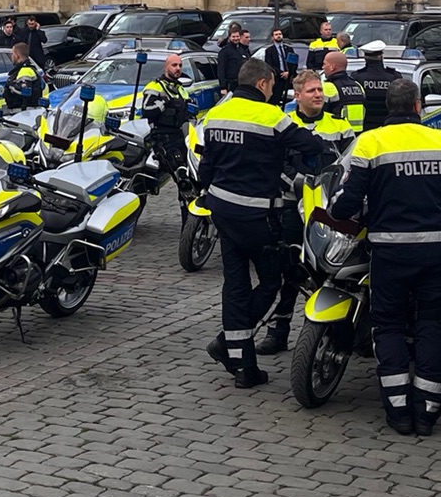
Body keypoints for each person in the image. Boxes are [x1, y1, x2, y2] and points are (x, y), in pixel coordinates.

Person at [331, 79, 441, 435]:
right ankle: (428, 412)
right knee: (432, 325)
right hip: (439, 250)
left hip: (391, 251)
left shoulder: (370, 142)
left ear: (388, 107)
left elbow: (346, 204)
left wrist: (342, 210)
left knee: (389, 325)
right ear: (417, 107)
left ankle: (398, 411)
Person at [195, 57, 327, 387]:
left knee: (235, 284)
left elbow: (206, 164)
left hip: (223, 210)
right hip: (257, 215)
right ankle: (227, 344)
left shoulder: (215, 114)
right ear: (263, 84)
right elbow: (309, 145)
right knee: (274, 278)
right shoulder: (271, 116)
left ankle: (244, 367)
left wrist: (203, 194)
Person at [257, 69, 357, 355]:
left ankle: (337, 331)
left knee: (335, 271)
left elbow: (352, 165)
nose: (318, 95)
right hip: (291, 207)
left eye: (320, 90)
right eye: (311, 90)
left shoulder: (339, 127)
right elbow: (275, 166)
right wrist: (297, 183)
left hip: (330, 212)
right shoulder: (284, 125)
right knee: (289, 271)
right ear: (297, 95)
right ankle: (278, 330)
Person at [139, 52, 194, 190]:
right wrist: (165, 101)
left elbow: (188, 112)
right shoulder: (155, 86)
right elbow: (147, 110)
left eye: (180, 65)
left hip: (180, 137)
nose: (178, 68)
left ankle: (185, 207)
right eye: (174, 65)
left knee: (190, 175)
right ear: (166, 67)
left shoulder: (180, 88)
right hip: (163, 138)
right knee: (181, 177)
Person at [354, 43, 403, 131]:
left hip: (365, 127)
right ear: (381, 57)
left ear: (365, 58)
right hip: (389, 126)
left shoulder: (357, 77)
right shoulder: (394, 77)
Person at [322, 49, 365, 133]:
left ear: (332, 67)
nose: (323, 67)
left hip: (337, 135)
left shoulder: (328, 87)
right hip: (358, 135)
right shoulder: (358, 86)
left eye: (324, 64)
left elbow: (319, 114)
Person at [2, 40, 47, 111]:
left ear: (17, 56)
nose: (12, 56)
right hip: (27, 110)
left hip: (23, 112)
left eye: (12, 53)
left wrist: (10, 85)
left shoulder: (25, 71)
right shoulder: (30, 69)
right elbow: (43, 85)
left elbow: (24, 92)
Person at [263, 28, 301, 105]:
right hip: (277, 79)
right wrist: (281, 73)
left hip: (289, 78)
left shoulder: (289, 48)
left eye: (280, 34)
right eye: (276, 35)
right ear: (273, 37)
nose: (278, 36)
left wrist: (289, 73)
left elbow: (294, 63)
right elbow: (269, 65)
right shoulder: (269, 51)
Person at [217, 22, 253, 98]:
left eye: (237, 36)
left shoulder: (242, 50)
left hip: (242, 84)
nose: (236, 38)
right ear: (229, 37)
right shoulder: (224, 52)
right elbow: (221, 70)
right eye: (233, 36)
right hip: (230, 85)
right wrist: (223, 87)